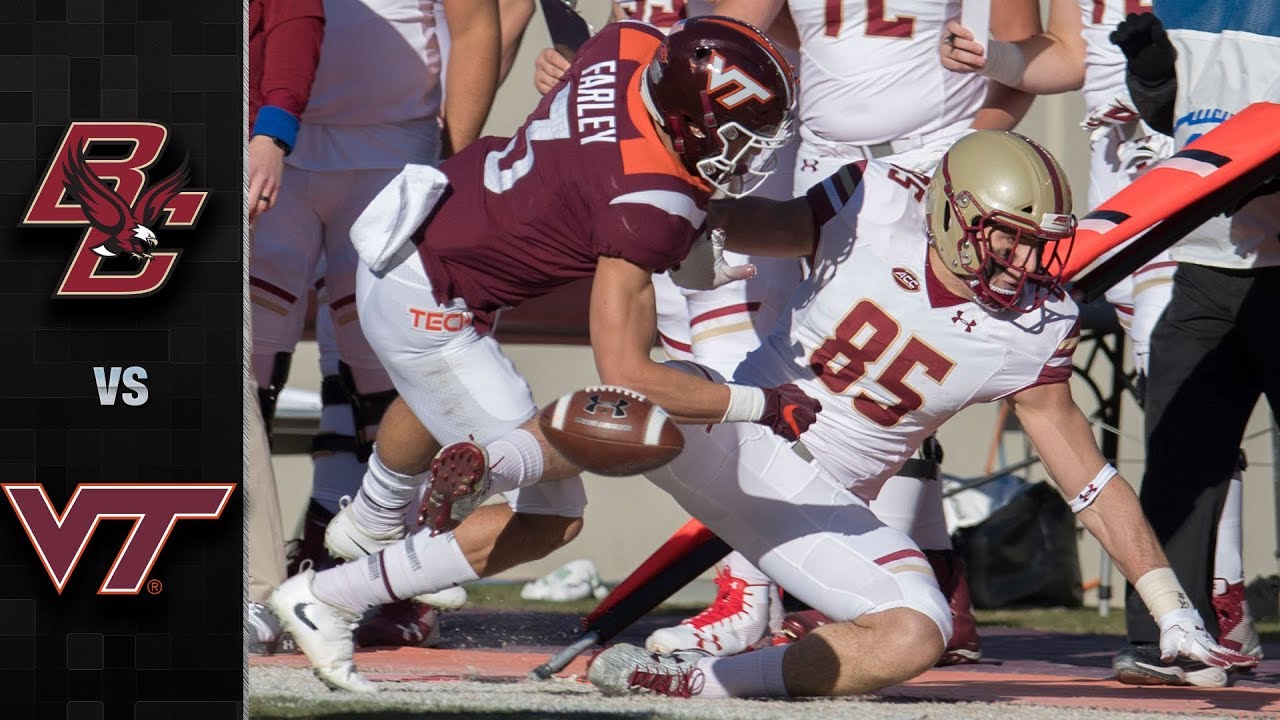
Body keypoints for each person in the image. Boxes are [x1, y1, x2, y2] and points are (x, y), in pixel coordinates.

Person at [583, 129, 1258, 699]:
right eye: (1009, 239)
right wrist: (686, 222)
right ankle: (498, 473)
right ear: (954, 214)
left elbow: (1092, 486)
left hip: (820, 512)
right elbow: (746, 221)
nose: (1026, 263)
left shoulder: (1036, 324)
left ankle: (701, 680)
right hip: (740, 430)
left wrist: (1171, 607)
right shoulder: (872, 203)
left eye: (1039, 243)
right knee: (624, 404)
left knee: (918, 633)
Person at [269, 16, 816, 692]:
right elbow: (628, 375)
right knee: (554, 515)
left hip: (431, 221)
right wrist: (760, 403)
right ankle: (332, 595)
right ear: (688, 119)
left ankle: (375, 518)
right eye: (738, 139)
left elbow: (590, 55)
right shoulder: (650, 202)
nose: (747, 158)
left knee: (438, 379)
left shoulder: (631, 46)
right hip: (434, 298)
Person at [647, 0, 1047, 665]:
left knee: (906, 371)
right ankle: (918, 581)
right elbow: (738, 37)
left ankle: (787, 594)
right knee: (811, 361)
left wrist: (970, 152)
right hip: (825, 161)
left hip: (931, 159)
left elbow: (1024, 58)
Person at [939, 0, 1266, 686]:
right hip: (1154, 223)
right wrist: (1148, 85)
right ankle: (1174, 623)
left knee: (1163, 390)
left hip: (1226, 230)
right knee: (1178, 441)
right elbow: (1119, 77)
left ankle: (1218, 600)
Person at [1109, 3, 1280, 685]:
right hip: (1204, 263)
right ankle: (1169, 635)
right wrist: (1152, 81)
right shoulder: (1186, 2)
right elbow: (1185, 118)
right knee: (1180, 455)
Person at [245, 0, 324, 655]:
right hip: (93, 142)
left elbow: (295, 18)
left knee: (212, 368)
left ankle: (254, 588)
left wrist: (272, 132)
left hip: (203, 147)